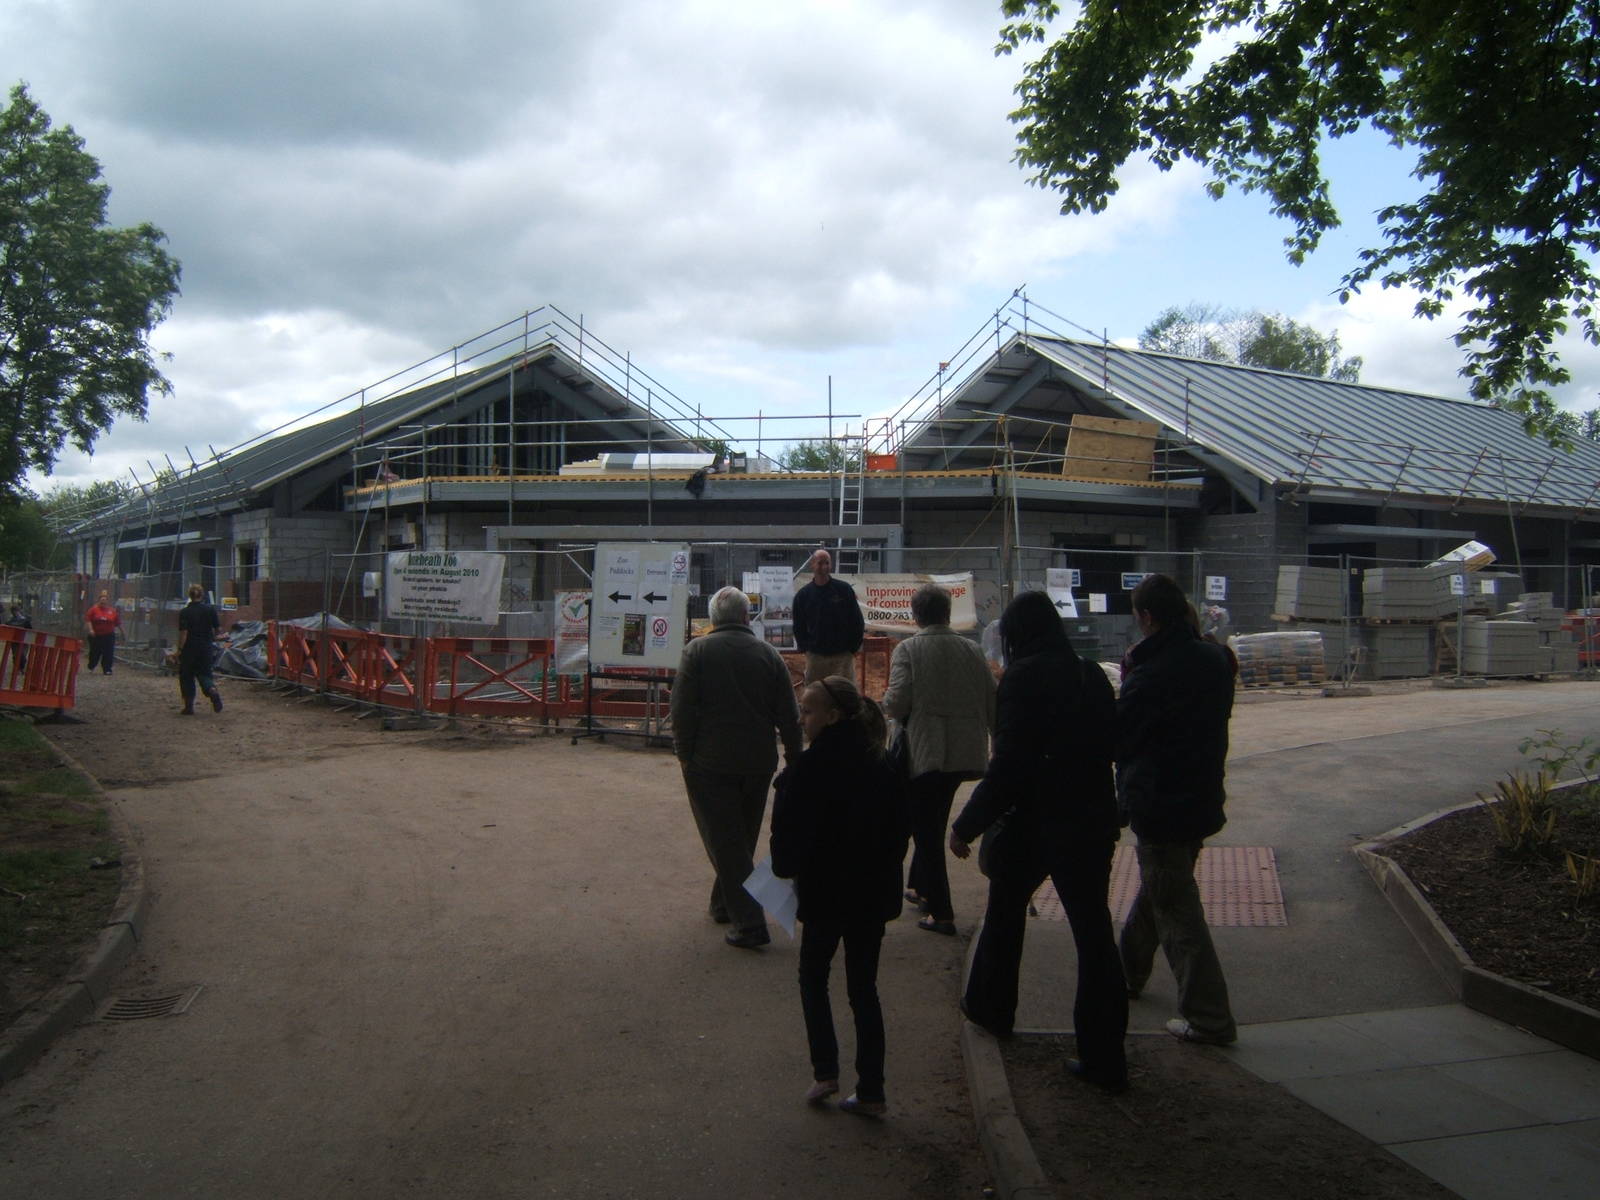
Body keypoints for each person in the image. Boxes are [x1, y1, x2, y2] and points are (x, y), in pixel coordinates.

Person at [948, 589, 1129, 1092]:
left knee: (1005, 915)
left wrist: (967, 823)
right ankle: (1105, 1055)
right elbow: (1113, 745)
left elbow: (1010, 765)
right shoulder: (1091, 676)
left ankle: (991, 1009)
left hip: (1035, 820)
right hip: (1089, 820)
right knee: (1094, 936)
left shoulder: (1021, 679)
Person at [770, 675, 909, 1117]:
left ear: (832, 716)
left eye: (808, 710)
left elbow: (784, 856)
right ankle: (872, 1090)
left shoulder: (806, 772)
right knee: (863, 988)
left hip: (825, 897)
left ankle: (825, 1070)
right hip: (871, 896)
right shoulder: (882, 762)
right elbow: (900, 835)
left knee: (813, 977)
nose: (801, 718)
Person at [1116, 572, 1238, 1047]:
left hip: (1161, 804)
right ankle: (1126, 973)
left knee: (1176, 910)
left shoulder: (1150, 673)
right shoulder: (1213, 658)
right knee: (1161, 889)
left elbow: (1122, 738)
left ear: (1146, 617)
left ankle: (1209, 1018)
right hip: (1201, 796)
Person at [671, 585, 802, 950]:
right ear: (747, 618)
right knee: (738, 838)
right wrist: (795, 759)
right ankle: (723, 905)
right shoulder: (769, 655)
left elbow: (681, 709)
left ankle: (750, 923)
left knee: (726, 842)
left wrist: (684, 754)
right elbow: (790, 717)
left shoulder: (696, 651)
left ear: (713, 620)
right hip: (759, 763)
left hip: (710, 763)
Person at [880, 583, 996, 936]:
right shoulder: (973, 651)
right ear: (947, 613)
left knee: (926, 833)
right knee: (931, 818)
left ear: (915, 616)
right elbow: (992, 702)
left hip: (925, 753)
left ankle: (942, 912)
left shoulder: (909, 650)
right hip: (964, 753)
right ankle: (920, 887)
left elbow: (897, 704)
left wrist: (883, 707)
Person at [791, 548, 865, 685]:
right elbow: (798, 626)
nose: (824, 567)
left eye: (827, 563)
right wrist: (807, 649)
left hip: (842, 658)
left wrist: (852, 649)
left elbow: (857, 621)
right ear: (812, 565)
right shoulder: (803, 596)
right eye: (820, 563)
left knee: (845, 697)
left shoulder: (844, 590)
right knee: (815, 697)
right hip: (816, 658)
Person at [177, 583, 224, 716]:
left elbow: (184, 633)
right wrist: (216, 637)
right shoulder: (210, 610)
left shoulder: (185, 612)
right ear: (202, 595)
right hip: (206, 647)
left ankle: (189, 706)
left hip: (189, 649)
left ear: (190, 596)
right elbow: (218, 630)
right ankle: (212, 690)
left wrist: (179, 649)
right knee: (204, 674)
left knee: (187, 676)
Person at [84, 591, 122, 675]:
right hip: (96, 635)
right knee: (95, 652)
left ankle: (107, 669)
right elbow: (88, 620)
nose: (103, 601)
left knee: (108, 652)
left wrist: (122, 632)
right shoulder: (93, 609)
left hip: (108, 635)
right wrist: (91, 630)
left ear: (107, 601)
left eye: (105, 600)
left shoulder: (112, 611)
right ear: (99, 600)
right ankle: (92, 666)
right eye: (102, 600)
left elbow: (117, 623)